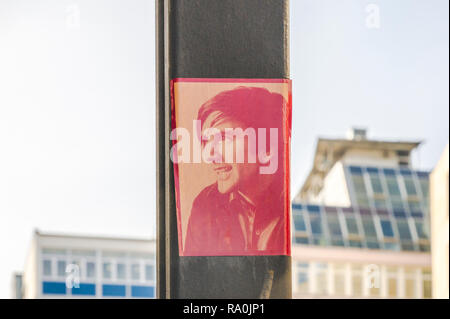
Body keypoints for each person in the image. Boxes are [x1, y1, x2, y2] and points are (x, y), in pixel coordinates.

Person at [183, 86, 290, 256]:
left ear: (267, 145)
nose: (209, 154)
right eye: (206, 141)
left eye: (224, 138)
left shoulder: (291, 207)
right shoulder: (205, 206)